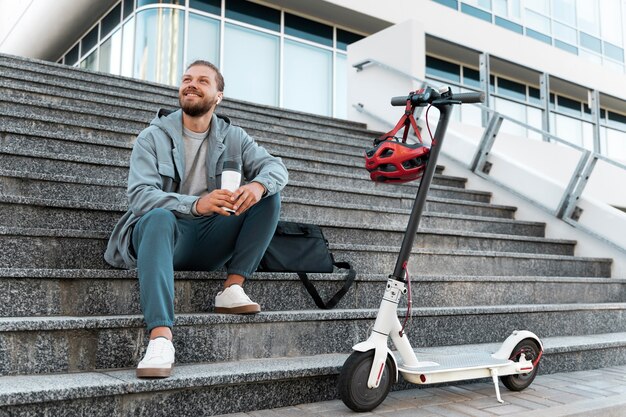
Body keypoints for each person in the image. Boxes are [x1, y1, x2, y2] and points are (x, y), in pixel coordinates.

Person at [104, 60, 288, 378]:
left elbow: (276, 168)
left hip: (207, 237)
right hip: (161, 234)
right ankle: (160, 338)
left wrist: (257, 186)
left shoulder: (234, 137)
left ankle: (232, 288)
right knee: (159, 217)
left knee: (269, 195)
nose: (191, 84)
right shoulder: (153, 136)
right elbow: (140, 197)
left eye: (203, 81)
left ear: (218, 96)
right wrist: (196, 204)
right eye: (186, 79)